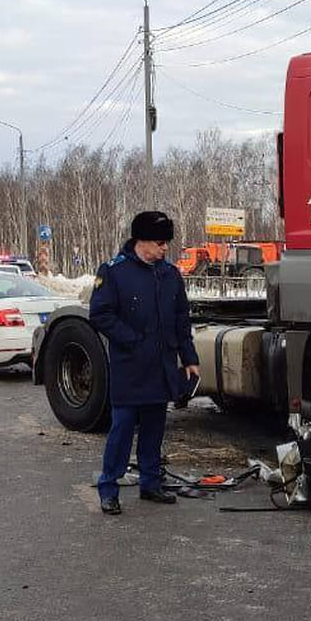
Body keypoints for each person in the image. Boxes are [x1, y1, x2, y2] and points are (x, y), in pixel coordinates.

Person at [90, 211, 200, 515]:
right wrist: (133, 340)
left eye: (167, 242)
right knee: (122, 430)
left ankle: (151, 483)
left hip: (161, 368)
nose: (166, 248)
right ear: (141, 241)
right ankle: (109, 488)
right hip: (130, 368)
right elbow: (100, 315)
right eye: (160, 242)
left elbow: (181, 318)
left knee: (154, 429)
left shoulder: (169, 274)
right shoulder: (114, 272)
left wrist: (189, 357)